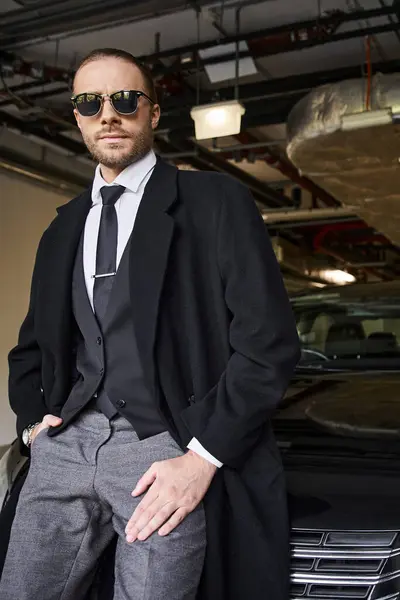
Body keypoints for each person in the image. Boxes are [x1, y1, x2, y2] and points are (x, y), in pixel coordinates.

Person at [0, 48, 300, 600]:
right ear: (77, 118)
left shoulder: (216, 203)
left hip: (164, 446)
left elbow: (269, 344)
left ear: (154, 113)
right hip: (68, 440)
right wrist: (32, 428)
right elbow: (33, 348)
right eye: (91, 103)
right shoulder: (62, 229)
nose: (108, 114)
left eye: (125, 99)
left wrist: (201, 459)